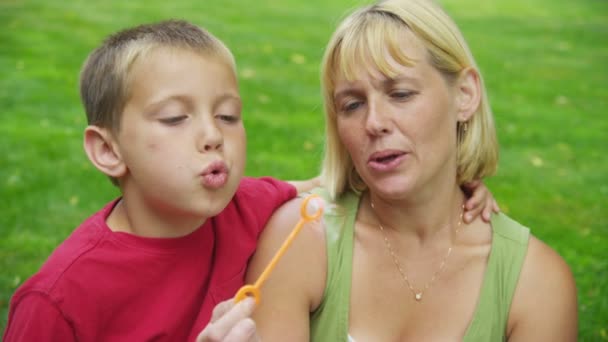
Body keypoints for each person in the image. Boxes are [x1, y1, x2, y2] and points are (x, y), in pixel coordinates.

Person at [3, 18, 496, 342]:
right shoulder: (58, 303)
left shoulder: (247, 207)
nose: (212, 137)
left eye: (228, 115)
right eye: (175, 119)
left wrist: (456, 186)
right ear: (109, 150)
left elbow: (339, 185)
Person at [246, 0, 578, 341]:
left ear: (465, 95)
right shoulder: (301, 239)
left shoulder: (536, 282)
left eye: (401, 94)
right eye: (353, 104)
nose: (374, 123)